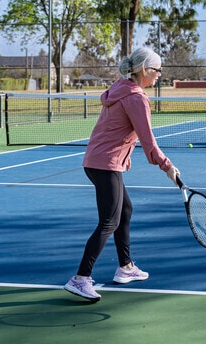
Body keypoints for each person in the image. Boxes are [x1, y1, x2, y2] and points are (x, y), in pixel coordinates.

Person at [64, 47, 180, 302]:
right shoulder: (136, 98)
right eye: (157, 69)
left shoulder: (119, 89)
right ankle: (81, 278)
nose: (160, 74)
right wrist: (167, 167)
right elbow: (149, 142)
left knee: (124, 211)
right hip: (105, 164)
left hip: (96, 162)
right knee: (109, 222)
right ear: (144, 70)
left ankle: (125, 267)